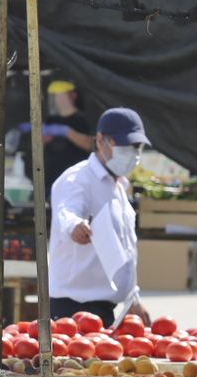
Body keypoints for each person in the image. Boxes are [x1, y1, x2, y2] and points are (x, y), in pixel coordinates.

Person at [45, 107, 150, 328]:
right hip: (72, 308)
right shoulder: (78, 178)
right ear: (100, 141)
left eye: (136, 146)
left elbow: (126, 249)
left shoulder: (119, 186)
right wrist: (74, 225)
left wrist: (133, 297)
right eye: (124, 145)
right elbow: (66, 210)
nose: (131, 152)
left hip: (105, 308)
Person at [41, 80, 96, 189]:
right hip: (52, 179)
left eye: (62, 95)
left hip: (75, 178)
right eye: (56, 96)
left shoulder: (82, 119)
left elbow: (90, 145)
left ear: (73, 96)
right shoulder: (51, 120)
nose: (58, 99)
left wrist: (66, 132)